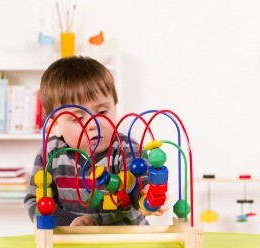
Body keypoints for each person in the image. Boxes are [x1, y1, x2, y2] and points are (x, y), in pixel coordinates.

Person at [24, 56, 167, 226]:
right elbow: (35, 202)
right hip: (73, 243)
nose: (93, 125)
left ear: (115, 107)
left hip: (126, 242)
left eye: (102, 112)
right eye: (78, 118)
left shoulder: (127, 148)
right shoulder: (51, 153)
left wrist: (149, 194)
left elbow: (138, 183)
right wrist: (71, 221)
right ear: (55, 125)